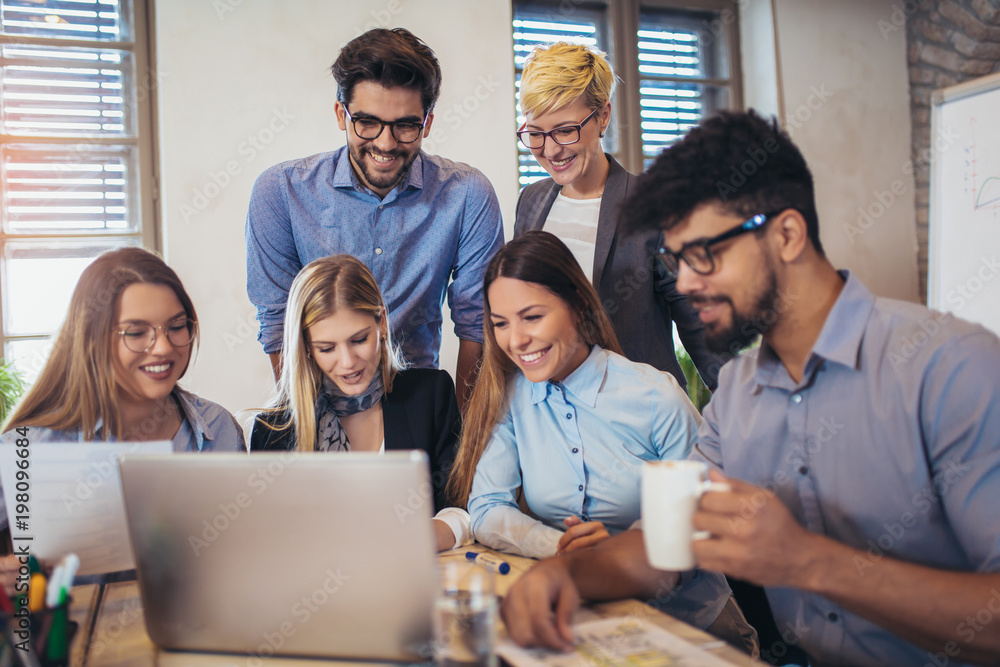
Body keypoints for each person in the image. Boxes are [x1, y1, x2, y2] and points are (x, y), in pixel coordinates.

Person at [501, 110, 1000, 667]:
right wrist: (565, 573)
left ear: (787, 234)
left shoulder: (951, 369)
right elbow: (661, 549)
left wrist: (807, 561)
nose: (685, 282)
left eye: (703, 255)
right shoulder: (738, 394)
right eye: (675, 259)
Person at [447, 232, 754, 652]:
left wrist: (610, 559)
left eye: (531, 317)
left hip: (691, 627)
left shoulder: (654, 394)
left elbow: (700, 525)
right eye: (500, 324)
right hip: (590, 624)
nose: (515, 340)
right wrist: (558, 546)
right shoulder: (515, 399)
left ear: (576, 305)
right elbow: (487, 507)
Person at [246, 28, 504, 410]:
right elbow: (277, 324)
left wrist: (460, 433)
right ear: (341, 114)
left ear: (427, 123)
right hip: (320, 404)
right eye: (367, 122)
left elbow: (477, 325)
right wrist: (315, 424)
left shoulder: (468, 195)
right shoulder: (280, 192)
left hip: (422, 407)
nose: (385, 143)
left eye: (405, 125)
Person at [513, 42, 721, 390]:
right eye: (535, 133)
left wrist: (751, 415)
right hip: (551, 416)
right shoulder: (531, 202)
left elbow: (701, 326)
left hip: (637, 418)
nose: (550, 150)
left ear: (603, 116)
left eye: (565, 130)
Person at [0, 247, 246, 531]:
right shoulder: (29, 449)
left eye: (176, 326)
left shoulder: (221, 429)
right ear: (93, 339)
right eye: (136, 333)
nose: (164, 348)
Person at [250, 255, 468, 552]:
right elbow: (268, 544)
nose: (348, 362)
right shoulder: (273, 430)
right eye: (327, 348)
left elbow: (462, 508)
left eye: (359, 340)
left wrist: (416, 535)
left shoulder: (430, 396)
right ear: (307, 348)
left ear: (381, 323)